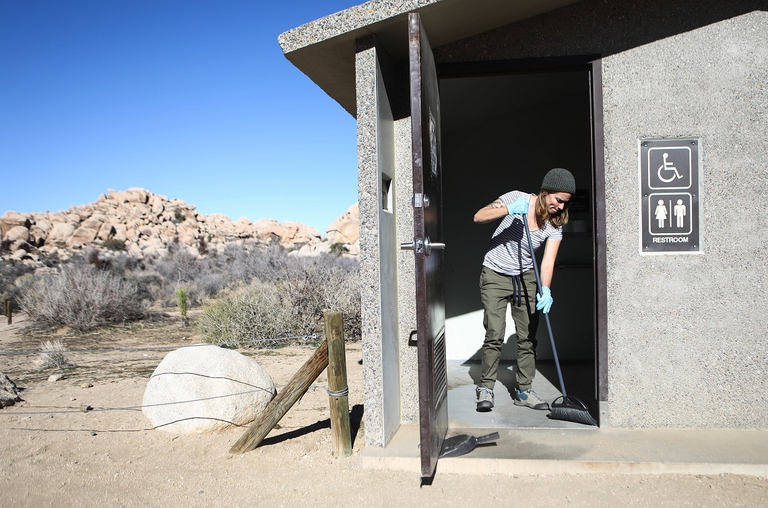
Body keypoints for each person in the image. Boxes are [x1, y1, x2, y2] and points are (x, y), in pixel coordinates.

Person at [473, 167, 575, 412]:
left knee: (528, 336)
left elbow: (547, 263)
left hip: (526, 277)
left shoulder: (554, 224)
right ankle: (486, 387)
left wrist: (546, 289)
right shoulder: (516, 198)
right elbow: (478, 216)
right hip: (495, 273)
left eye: (565, 202)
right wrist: (509, 209)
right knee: (495, 332)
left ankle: (524, 391)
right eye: (558, 199)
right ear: (545, 192)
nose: (561, 206)